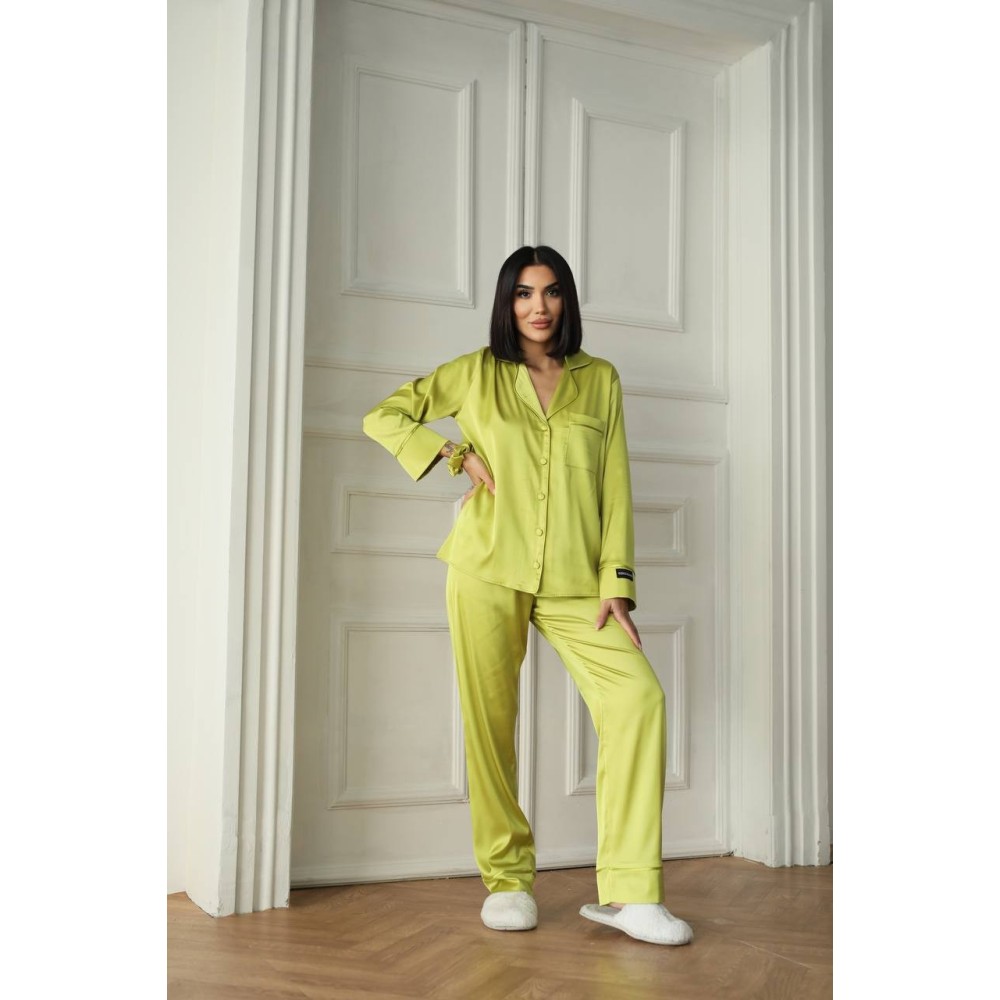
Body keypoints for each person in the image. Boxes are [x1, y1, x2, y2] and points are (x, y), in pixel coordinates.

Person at [362, 245, 693, 946]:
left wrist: (618, 584)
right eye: (522, 293)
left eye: (549, 292)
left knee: (638, 700)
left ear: (566, 300)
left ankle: (632, 892)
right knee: (491, 726)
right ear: (506, 303)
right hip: (487, 567)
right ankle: (507, 880)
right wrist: (453, 455)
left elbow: (614, 483)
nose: (537, 306)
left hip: (576, 581)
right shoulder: (476, 373)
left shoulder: (600, 380)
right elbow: (385, 415)